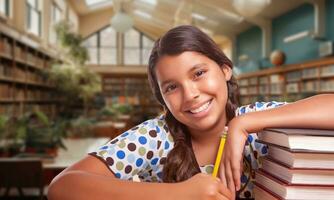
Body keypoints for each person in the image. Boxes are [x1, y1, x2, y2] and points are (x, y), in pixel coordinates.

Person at [47, 25, 334, 200]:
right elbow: (64, 187)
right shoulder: (155, 137)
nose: (190, 94)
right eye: (172, 87)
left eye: (198, 73)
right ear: (162, 99)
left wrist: (242, 124)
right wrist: (178, 196)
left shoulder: (258, 122)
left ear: (225, 69)